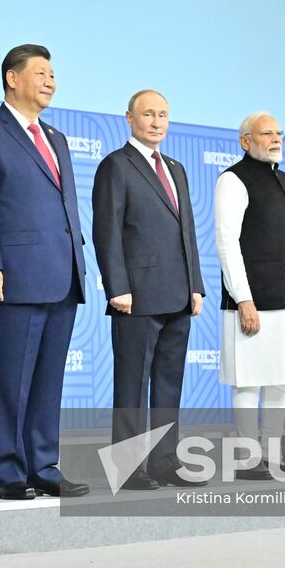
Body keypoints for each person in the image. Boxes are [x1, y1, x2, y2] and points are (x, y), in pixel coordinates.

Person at [0, 44, 89, 500]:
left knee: (49, 380)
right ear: (13, 79)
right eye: (40, 72)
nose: (50, 81)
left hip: (63, 273)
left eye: (53, 73)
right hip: (13, 276)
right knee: (9, 381)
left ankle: (44, 465)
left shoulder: (56, 137)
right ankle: (9, 472)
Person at [91, 90, 206, 490]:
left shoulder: (176, 168)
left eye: (163, 115)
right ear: (129, 118)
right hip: (136, 296)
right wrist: (116, 286)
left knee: (169, 384)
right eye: (148, 114)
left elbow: (187, 230)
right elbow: (106, 232)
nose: (157, 122)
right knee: (132, 384)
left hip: (178, 293)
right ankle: (127, 467)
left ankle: (164, 462)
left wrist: (196, 284)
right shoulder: (115, 166)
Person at [214, 112, 285, 480]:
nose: (276, 138)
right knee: (249, 379)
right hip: (255, 300)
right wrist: (243, 298)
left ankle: (275, 454)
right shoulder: (232, 179)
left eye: (279, 132)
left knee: (280, 378)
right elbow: (227, 243)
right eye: (266, 133)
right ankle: (247, 459)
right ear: (246, 140)